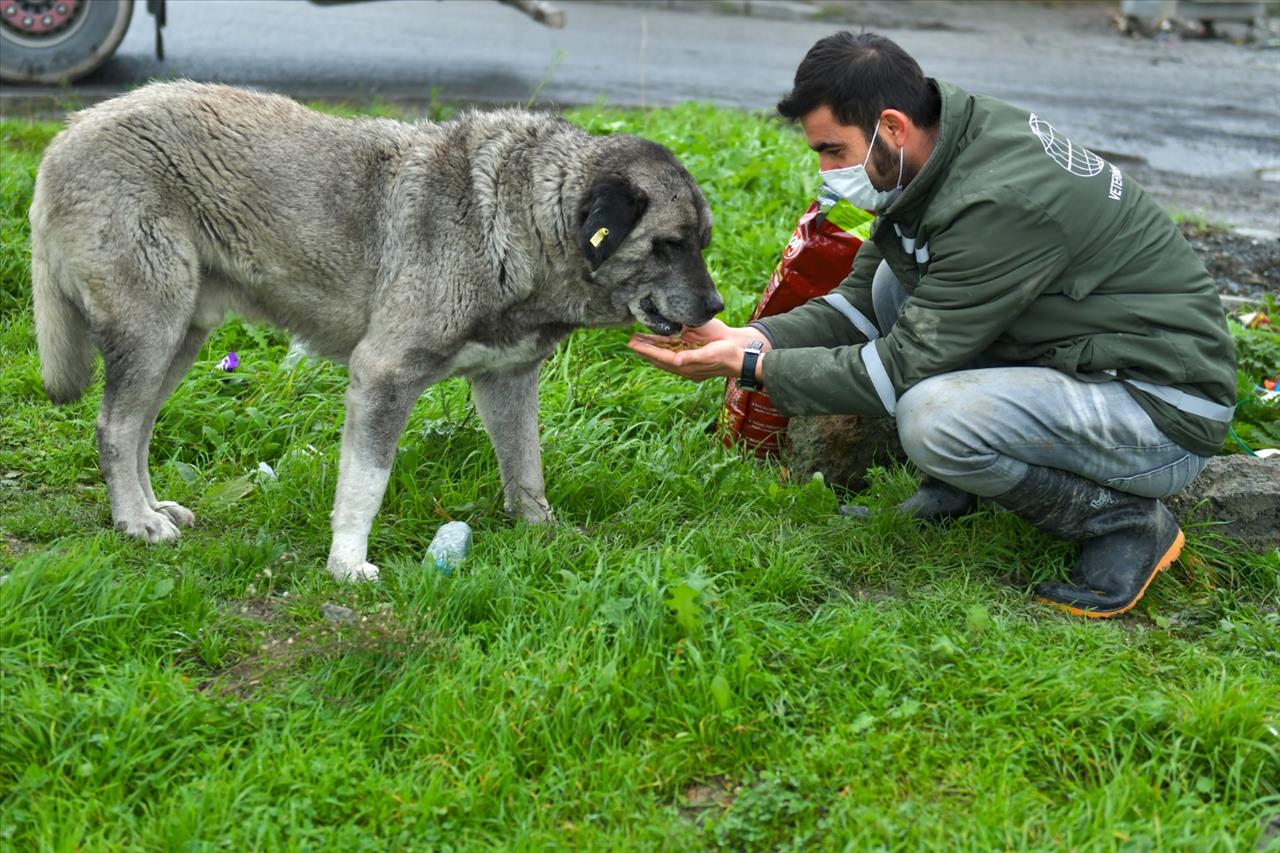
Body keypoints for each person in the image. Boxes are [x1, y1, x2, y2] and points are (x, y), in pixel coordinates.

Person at [628, 31, 1236, 619]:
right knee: (900, 278)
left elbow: (897, 371)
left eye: (833, 150)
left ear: (890, 126)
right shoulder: (936, 151)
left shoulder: (995, 204)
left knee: (933, 416)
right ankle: (952, 494)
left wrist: (751, 368)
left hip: (1159, 409)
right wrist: (751, 338)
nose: (825, 168)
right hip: (1086, 359)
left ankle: (1123, 522)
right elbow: (862, 304)